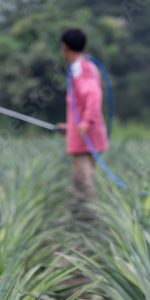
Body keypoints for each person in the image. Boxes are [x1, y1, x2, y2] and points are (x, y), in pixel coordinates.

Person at [55, 28, 109, 219]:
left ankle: (89, 225)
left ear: (64, 47)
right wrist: (70, 127)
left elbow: (93, 94)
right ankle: (88, 222)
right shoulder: (89, 65)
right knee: (86, 181)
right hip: (89, 134)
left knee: (82, 184)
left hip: (84, 138)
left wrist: (85, 122)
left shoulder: (79, 68)